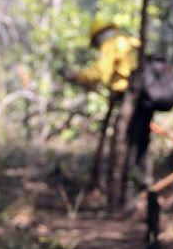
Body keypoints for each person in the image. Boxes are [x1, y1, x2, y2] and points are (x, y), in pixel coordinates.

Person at [64, 19, 152, 188]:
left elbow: (100, 73)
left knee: (127, 141)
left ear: (98, 37)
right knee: (141, 140)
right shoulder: (129, 40)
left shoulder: (111, 43)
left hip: (131, 97)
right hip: (146, 96)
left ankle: (127, 184)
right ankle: (143, 180)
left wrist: (77, 76)